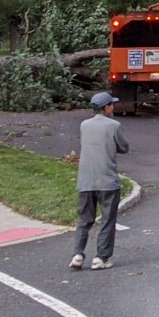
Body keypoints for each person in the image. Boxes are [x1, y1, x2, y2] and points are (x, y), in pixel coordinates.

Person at [69, 91, 129, 271]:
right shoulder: (114, 125)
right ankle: (101, 258)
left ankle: (78, 254)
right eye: (112, 104)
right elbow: (124, 147)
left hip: (85, 180)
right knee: (107, 220)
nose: (114, 107)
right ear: (106, 107)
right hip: (107, 180)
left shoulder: (84, 125)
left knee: (84, 220)